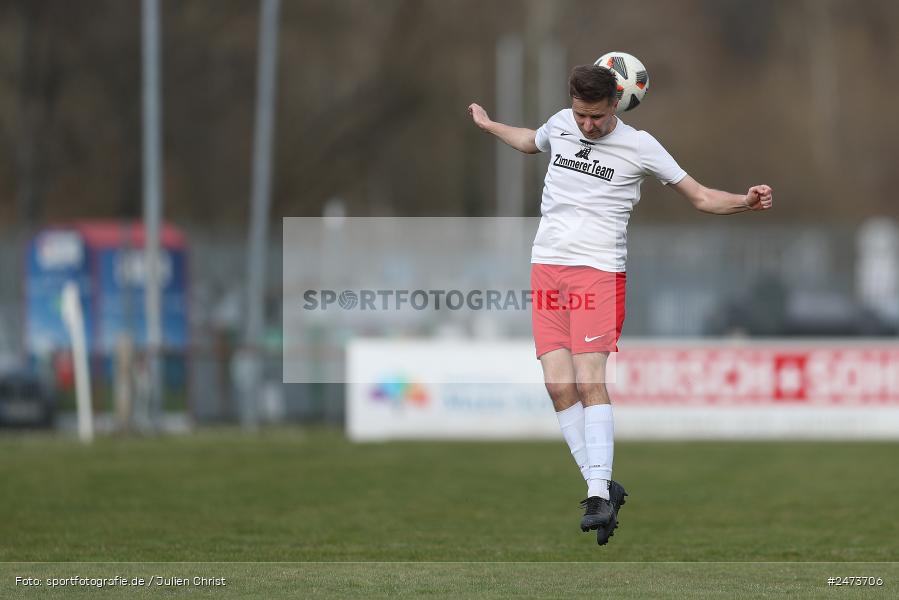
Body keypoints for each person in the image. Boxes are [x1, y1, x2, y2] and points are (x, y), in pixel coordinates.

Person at [468, 64, 773, 546]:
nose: (587, 126)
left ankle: (596, 495)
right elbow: (531, 141)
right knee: (557, 386)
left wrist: (745, 201)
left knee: (590, 380)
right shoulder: (561, 124)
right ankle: (602, 484)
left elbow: (699, 196)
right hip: (546, 267)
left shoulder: (640, 145)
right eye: (580, 115)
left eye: (596, 116)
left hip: (598, 272)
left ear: (617, 104)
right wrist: (490, 126)